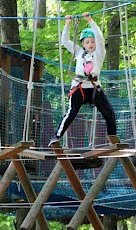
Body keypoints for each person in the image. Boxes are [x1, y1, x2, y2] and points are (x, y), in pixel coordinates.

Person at [50, 12, 120, 147]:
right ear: (83, 44)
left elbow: (99, 38)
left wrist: (90, 21)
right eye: (87, 42)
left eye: (92, 41)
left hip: (94, 87)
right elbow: (65, 41)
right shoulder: (79, 52)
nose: (91, 44)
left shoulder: (99, 53)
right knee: (71, 112)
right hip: (79, 86)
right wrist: (67, 24)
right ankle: (56, 136)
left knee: (109, 112)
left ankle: (113, 137)